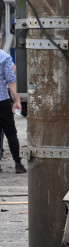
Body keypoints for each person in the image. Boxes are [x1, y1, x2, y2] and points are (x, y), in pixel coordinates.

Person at [0, 41, 21, 174]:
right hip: (2, 102)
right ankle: (18, 164)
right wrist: (17, 100)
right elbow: (11, 81)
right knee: (11, 133)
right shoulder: (4, 57)